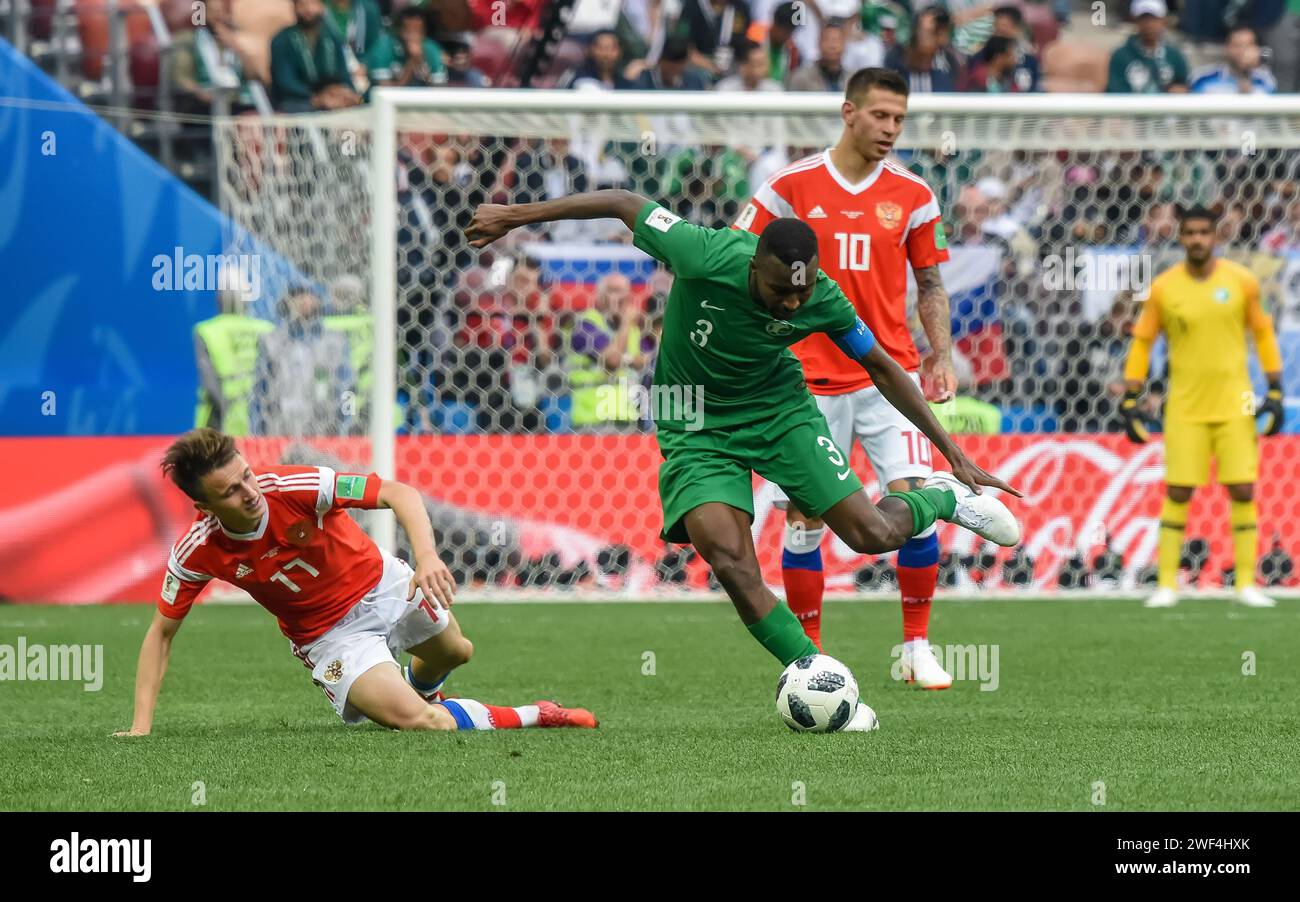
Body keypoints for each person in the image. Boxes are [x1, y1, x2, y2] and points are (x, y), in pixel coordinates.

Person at [466, 189, 1021, 730]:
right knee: (729, 558)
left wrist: (951, 454)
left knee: (872, 534)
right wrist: (516, 216)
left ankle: (943, 498)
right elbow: (622, 202)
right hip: (692, 419)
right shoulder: (702, 252)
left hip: (780, 413)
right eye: (781, 291)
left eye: (800, 296)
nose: (792, 305)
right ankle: (819, 676)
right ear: (755, 264)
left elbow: (881, 366)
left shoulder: (821, 296)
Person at [114, 429, 597, 734]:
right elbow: (161, 633)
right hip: (331, 639)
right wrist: (140, 727)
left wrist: (426, 556)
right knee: (425, 724)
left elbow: (396, 491)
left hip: (385, 584)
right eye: (231, 492)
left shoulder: (295, 486)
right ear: (204, 508)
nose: (250, 493)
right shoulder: (197, 549)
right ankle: (540, 714)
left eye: (246, 475)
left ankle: (421, 686)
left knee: (457, 652)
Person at [735, 68, 962, 688]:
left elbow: (931, 284)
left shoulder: (914, 195)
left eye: (900, 119)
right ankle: (810, 658)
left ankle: (916, 647)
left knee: (913, 499)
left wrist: (940, 354)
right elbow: (736, 259)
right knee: (806, 516)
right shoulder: (789, 188)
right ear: (848, 112)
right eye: (881, 116)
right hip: (804, 381)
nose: (891, 129)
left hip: (888, 376)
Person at [1121, 205, 1285, 609]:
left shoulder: (1242, 282)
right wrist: (1130, 395)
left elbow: (1263, 333)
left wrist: (1276, 389)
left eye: (1203, 233)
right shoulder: (1164, 288)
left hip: (1236, 402)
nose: (1196, 239)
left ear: (1215, 236)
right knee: (1178, 490)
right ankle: (1166, 585)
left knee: (1243, 488)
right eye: (1189, 233)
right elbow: (1142, 342)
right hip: (1184, 406)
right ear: (1180, 237)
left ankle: (1246, 583)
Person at [193, 286, 274, 436]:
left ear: (219, 299)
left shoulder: (207, 329)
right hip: (262, 420)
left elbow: (210, 382)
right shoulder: (266, 328)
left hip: (220, 420)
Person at [269, 0, 361, 112]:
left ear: (322, 6)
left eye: (313, 3)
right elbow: (285, 82)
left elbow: (343, 73)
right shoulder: (282, 40)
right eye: (302, 4)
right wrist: (317, 98)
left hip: (331, 98)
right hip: (297, 100)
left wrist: (345, 91)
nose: (308, 9)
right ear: (294, 7)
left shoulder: (332, 38)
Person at [1105, 0, 1189, 94]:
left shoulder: (1174, 55)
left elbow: (1184, 85)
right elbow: (1115, 91)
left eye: (1153, 18)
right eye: (1143, 18)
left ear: (1163, 20)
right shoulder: (1120, 56)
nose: (1149, 23)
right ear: (1135, 20)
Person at [365, 7, 448, 88]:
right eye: (408, 31)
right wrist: (412, 61)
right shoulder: (383, 48)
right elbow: (385, 92)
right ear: (399, 31)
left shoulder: (432, 49)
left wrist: (421, 65)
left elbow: (440, 91)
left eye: (418, 31)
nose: (413, 36)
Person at [1188, 24, 1276, 94]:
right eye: (1237, 45)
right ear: (1227, 48)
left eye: (1249, 45)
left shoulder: (1264, 80)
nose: (1243, 51)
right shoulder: (1203, 78)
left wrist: (1247, 73)